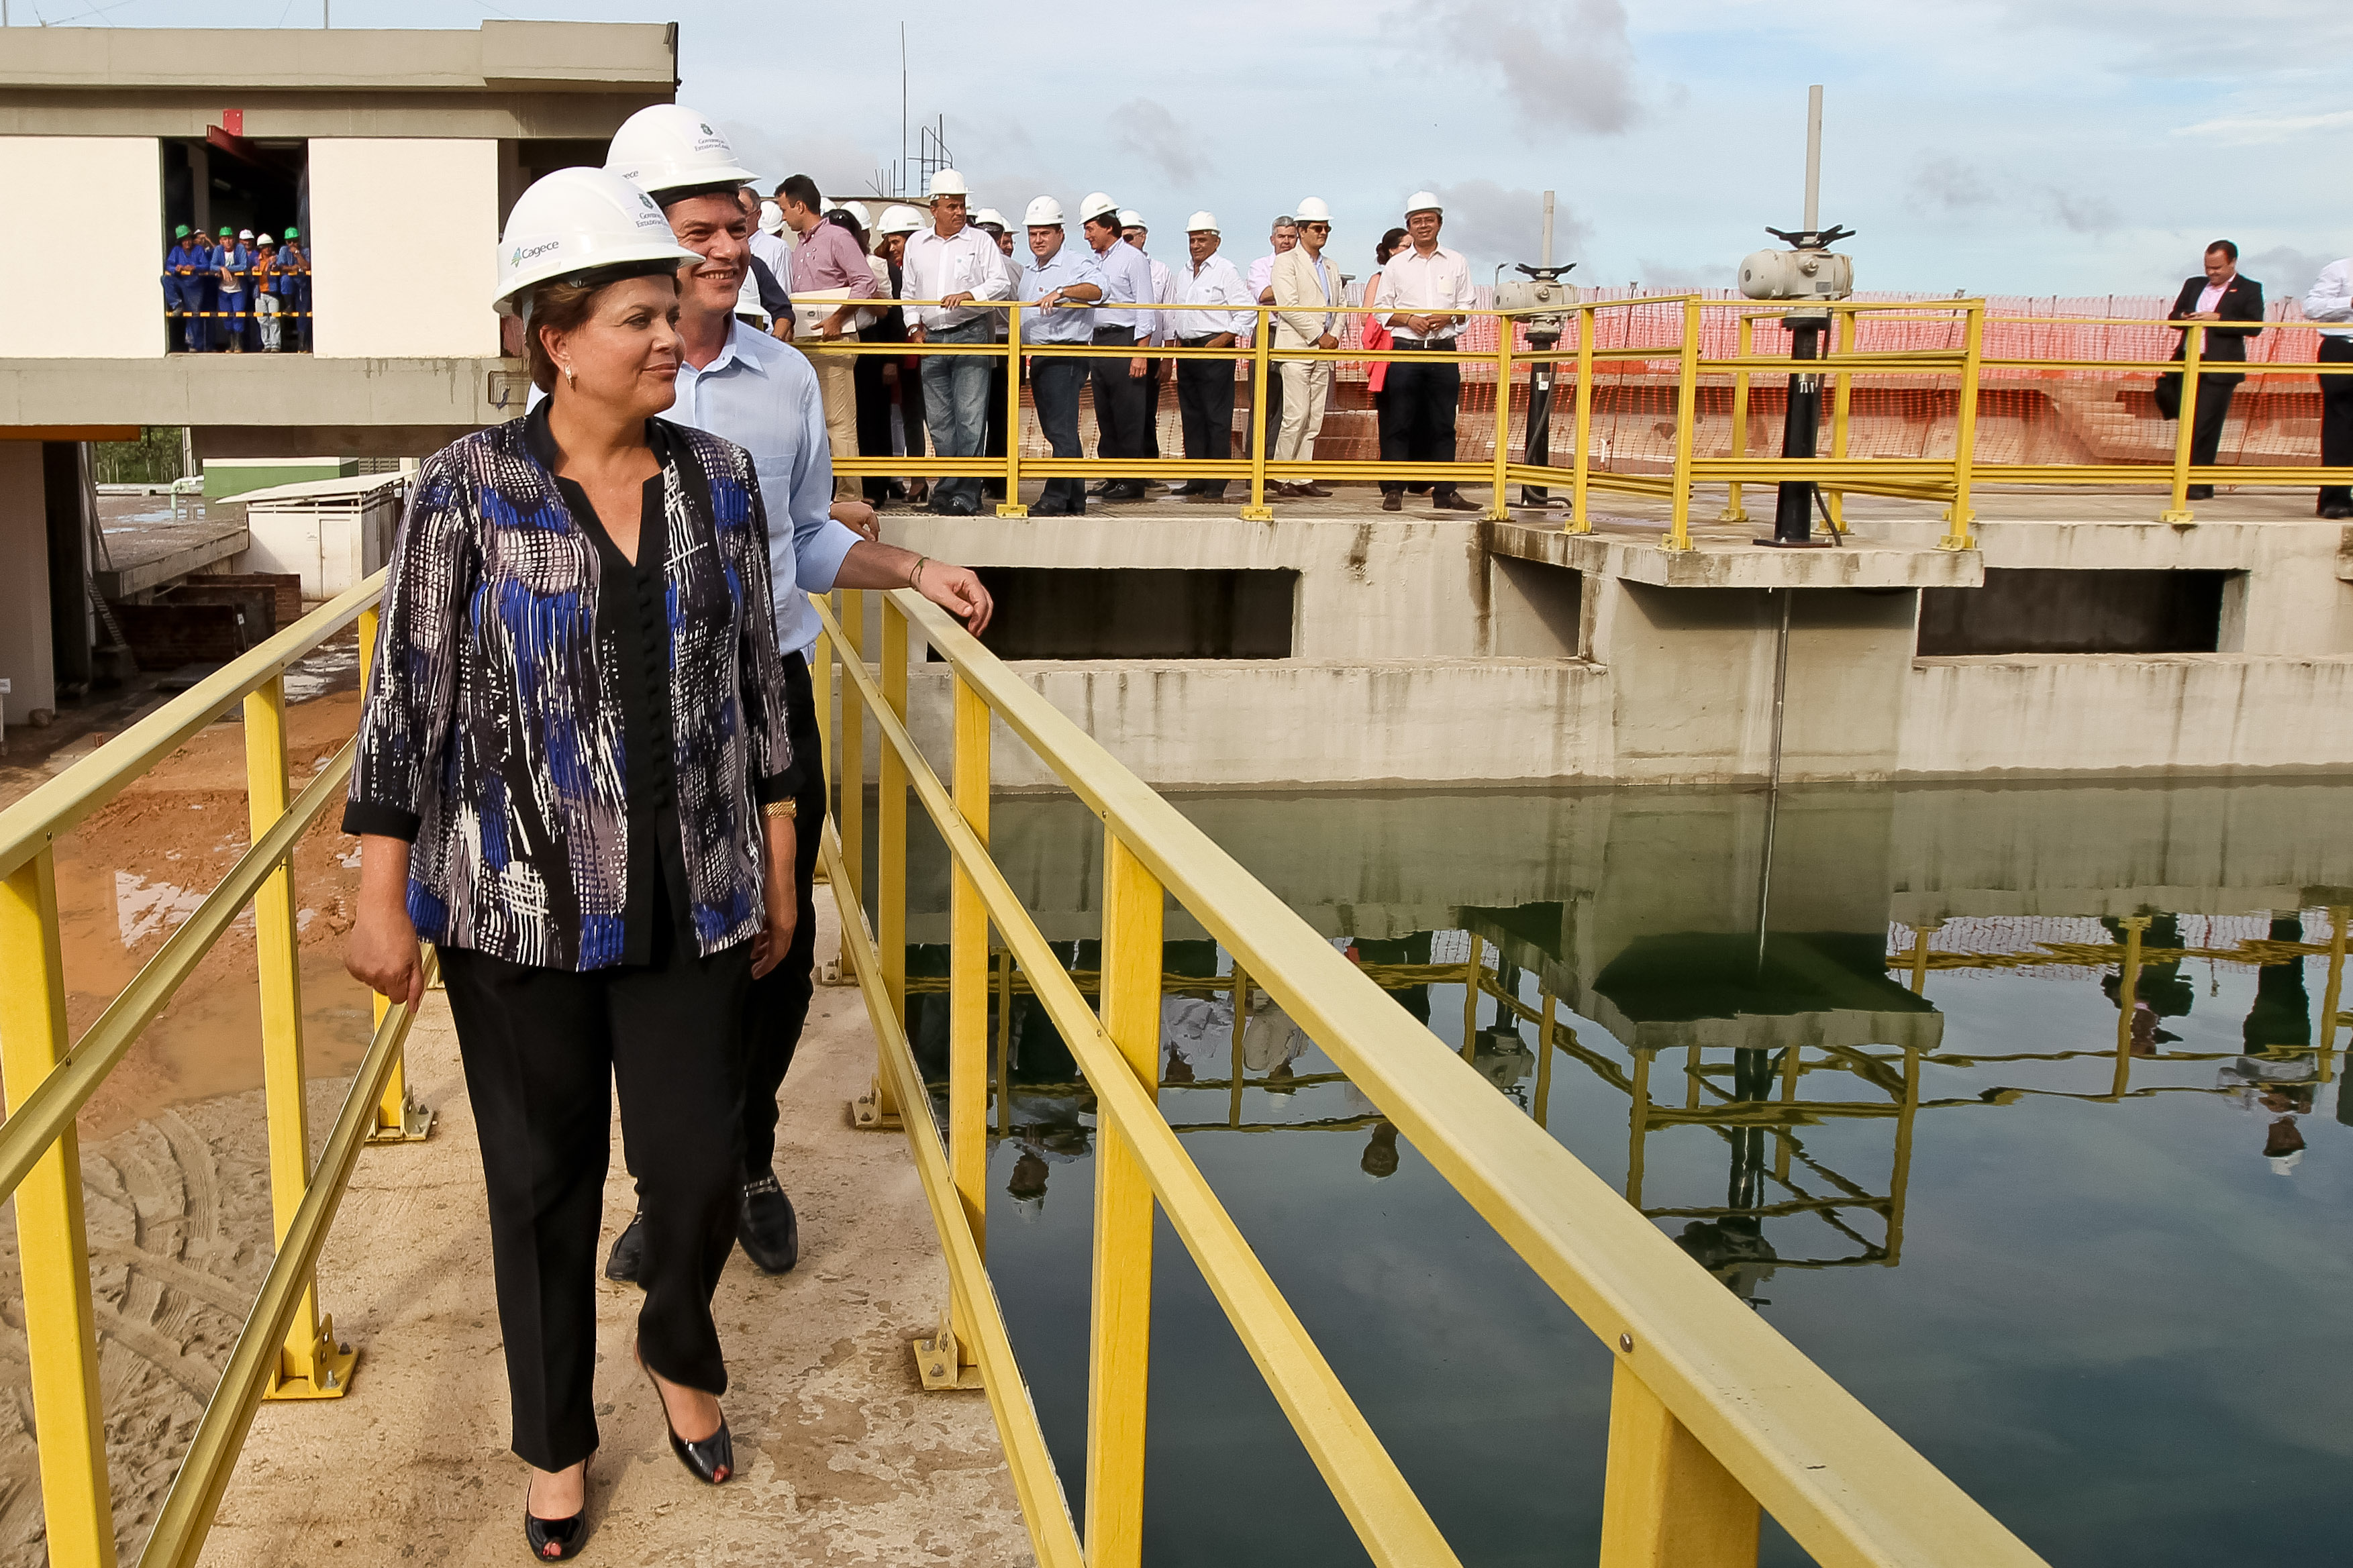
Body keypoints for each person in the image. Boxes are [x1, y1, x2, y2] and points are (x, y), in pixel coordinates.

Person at [343, 164, 783, 1560]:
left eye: (675, 311)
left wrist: (779, 857)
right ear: (555, 334)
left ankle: (673, 1337)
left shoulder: (720, 480)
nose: (672, 336)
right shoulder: (468, 487)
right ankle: (554, 1444)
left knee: (699, 1162)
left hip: (696, 891)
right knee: (541, 1182)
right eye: (642, 315)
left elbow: (758, 696)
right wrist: (378, 891)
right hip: (514, 909)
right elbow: (408, 694)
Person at [599, 106, 993, 1289]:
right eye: (699, 229)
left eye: (738, 225)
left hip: (767, 687)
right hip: (636, 704)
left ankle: (749, 1161)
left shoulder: (782, 379)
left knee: (778, 935)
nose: (726, 247)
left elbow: (806, 538)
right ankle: (669, 1186)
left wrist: (916, 567)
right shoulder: (611, 381)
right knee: (650, 943)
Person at [901, 170, 1011, 515]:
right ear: (933, 208)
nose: (959, 212)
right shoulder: (917, 244)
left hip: (971, 333)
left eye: (962, 205)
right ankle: (947, 489)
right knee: (939, 421)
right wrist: (912, 327)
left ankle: (967, 492)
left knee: (969, 417)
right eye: (952, 206)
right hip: (932, 338)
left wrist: (970, 295)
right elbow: (908, 293)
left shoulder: (980, 242)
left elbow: (1001, 284)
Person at [774, 173, 881, 497]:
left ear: (800, 205)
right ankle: (820, 493)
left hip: (834, 340)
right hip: (807, 341)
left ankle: (850, 494)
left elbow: (866, 282)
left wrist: (838, 318)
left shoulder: (836, 237)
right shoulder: (800, 246)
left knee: (839, 422)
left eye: (784, 209)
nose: (782, 216)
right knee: (812, 422)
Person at [1379, 193, 1479, 513]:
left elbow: (1467, 307)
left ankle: (1445, 492)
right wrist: (1409, 319)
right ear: (1409, 225)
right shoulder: (1396, 265)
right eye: (1417, 221)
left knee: (1443, 424)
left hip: (1443, 352)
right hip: (1406, 350)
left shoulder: (1457, 262)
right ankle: (1394, 489)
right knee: (1400, 422)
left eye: (1429, 220)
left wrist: (1447, 317)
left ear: (1439, 223)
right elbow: (1381, 311)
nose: (1423, 226)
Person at [1015, 196, 1107, 516]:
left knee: (1059, 430)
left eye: (1045, 233)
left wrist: (1064, 291)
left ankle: (1055, 498)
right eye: (1033, 234)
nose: (1038, 240)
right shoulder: (1030, 271)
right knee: (1060, 428)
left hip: (1064, 354)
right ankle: (1074, 498)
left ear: (1060, 234)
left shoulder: (1074, 264)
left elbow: (1099, 290)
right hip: (1041, 356)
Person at [2156, 241, 2264, 502]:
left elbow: (2254, 326)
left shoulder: (2250, 288)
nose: (2212, 273)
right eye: (2208, 267)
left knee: (2206, 423)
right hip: (2187, 362)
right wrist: (2188, 317)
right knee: (2187, 420)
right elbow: (2173, 317)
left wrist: (2219, 319)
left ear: (2232, 263)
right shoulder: (2194, 285)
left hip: (2219, 367)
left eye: (2218, 268)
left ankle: (2199, 483)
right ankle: (2183, 475)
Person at [1166, 212, 1253, 504]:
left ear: (1216, 241)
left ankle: (1217, 481)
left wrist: (1223, 339)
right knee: (1192, 417)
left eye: (1202, 239)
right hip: (1188, 350)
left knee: (1216, 418)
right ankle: (1196, 477)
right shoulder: (1184, 272)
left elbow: (1248, 311)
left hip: (1214, 350)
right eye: (1192, 239)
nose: (1196, 245)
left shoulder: (1226, 270)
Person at [1078, 193, 1156, 502]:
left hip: (1124, 339)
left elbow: (1146, 306)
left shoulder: (1133, 259)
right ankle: (1113, 474)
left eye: (1090, 228)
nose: (1087, 236)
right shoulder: (1095, 262)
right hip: (1100, 342)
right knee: (1106, 412)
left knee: (1128, 413)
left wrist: (1141, 351)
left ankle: (1132, 479)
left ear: (1108, 227)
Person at [1270, 197, 1344, 499]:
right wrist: (1319, 335)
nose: (1322, 233)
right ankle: (1280, 474)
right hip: (1298, 348)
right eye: (1317, 228)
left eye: (1326, 228)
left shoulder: (1331, 266)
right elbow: (1288, 306)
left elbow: (1341, 306)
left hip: (1323, 351)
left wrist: (1334, 334)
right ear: (1301, 230)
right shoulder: (1286, 262)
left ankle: (1302, 475)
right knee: (1296, 414)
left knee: (1314, 417)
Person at [1119, 210, 1176, 474]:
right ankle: (1119, 470)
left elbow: (1168, 315)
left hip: (1150, 350)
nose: (1126, 242)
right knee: (1119, 412)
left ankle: (1147, 469)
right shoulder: (1110, 265)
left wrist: (1167, 358)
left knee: (1146, 413)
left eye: (1129, 237)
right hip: (1120, 348)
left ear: (1143, 237)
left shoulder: (1161, 271)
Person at [2303, 254, 2353, 519]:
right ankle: (2334, 499)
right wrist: (2350, 302)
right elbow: (2312, 307)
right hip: (2342, 347)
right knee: (2339, 422)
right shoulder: (2339, 270)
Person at [1244, 217, 1299, 457]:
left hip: (1298, 334)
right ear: (1272, 239)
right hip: (1270, 333)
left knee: (1292, 406)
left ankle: (1280, 467)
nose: (1286, 241)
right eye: (1282, 236)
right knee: (1262, 404)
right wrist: (1297, 289)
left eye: (1291, 236)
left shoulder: (1307, 266)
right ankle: (1254, 467)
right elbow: (1264, 295)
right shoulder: (1260, 266)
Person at [1362, 227, 1409, 423]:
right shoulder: (1378, 279)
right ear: (1392, 250)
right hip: (1387, 353)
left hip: (1412, 351)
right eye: (1407, 246)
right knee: (1391, 415)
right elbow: (1367, 317)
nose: (1413, 250)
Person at [164, 224, 207, 353]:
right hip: (181, 282)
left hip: (195, 285)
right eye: (184, 240)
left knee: (194, 314)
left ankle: (195, 345)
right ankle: (177, 304)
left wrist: (194, 267)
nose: (187, 242)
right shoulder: (176, 251)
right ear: (180, 242)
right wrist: (176, 269)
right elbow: (169, 265)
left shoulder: (199, 250)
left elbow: (206, 265)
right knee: (165, 279)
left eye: (189, 239)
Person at [213, 226, 251, 353]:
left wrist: (227, 269)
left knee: (238, 315)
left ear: (234, 239)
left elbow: (244, 265)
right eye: (225, 239)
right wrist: (222, 269)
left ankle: (239, 345)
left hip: (238, 289)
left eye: (230, 238)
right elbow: (212, 265)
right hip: (223, 289)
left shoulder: (240, 248)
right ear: (220, 241)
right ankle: (231, 344)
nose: (228, 241)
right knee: (226, 317)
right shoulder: (218, 250)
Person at [278, 226, 311, 352]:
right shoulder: (283, 250)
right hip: (291, 283)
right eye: (289, 241)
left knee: (303, 314)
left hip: (303, 284)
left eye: (294, 240)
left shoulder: (306, 251)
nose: (292, 244)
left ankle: (303, 345)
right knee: (285, 279)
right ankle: (289, 305)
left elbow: (306, 266)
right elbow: (281, 266)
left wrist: (297, 254)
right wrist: (293, 268)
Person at [252, 234, 285, 352]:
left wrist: (275, 265)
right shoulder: (256, 260)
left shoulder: (277, 257)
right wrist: (253, 270)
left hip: (273, 293)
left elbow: (279, 268)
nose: (268, 249)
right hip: (259, 293)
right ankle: (267, 345)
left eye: (269, 246)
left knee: (274, 319)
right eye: (265, 247)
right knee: (262, 320)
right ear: (261, 248)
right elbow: (249, 277)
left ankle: (275, 345)